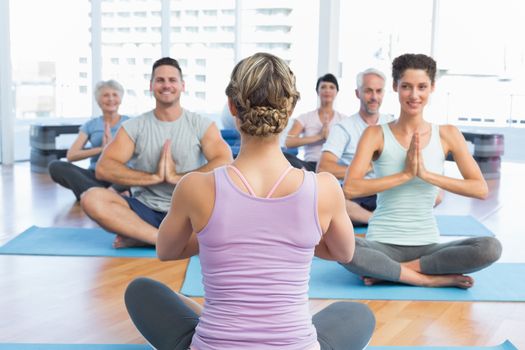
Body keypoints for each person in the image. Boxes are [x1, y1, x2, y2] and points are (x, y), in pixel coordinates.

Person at [124, 52, 375, 350]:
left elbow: (167, 250)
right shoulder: (324, 187)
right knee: (357, 313)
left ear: (232, 106)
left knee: (140, 291)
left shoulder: (195, 186)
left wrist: (220, 234)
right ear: (291, 106)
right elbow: (343, 253)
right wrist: (291, 237)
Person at [340, 53, 502, 288]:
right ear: (395, 87)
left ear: (432, 88)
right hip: (382, 244)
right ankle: (427, 280)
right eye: (406, 87)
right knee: (339, 244)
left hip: (428, 247)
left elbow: (480, 189)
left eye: (422, 87)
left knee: (490, 247)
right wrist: (404, 175)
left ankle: (398, 272)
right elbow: (351, 188)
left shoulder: (447, 134)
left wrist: (426, 175)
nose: (414, 95)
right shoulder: (374, 134)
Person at [80, 57, 233, 248]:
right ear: (151, 86)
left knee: (233, 212)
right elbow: (104, 168)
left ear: (182, 86)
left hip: (189, 210)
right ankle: (161, 239)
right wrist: (154, 177)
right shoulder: (134, 126)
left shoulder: (201, 125)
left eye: (172, 80)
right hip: (145, 210)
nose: (166, 85)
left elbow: (225, 162)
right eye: (160, 80)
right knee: (91, 198)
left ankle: (139, 236)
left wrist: (177, 178)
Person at [317, 68, 394, 225]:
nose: (374, 97)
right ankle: (379, 222)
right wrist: (367, 167)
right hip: (356, 196)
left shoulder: (393, 124)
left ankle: (382, 219)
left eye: (379, 91)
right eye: (368, 91)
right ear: (358, 93)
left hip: (386, 193)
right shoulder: (344, 127)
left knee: (434, 193)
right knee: (330, 202)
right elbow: (323, 168)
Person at [48, 80, 130, 201]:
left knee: (142, 169)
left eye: (115, 95)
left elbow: (139, 156)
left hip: (121, 176)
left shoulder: (131, 123)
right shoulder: (90, 125)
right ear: (98, 100)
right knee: (55, 166)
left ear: (121, 99)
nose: (111, 99)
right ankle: (105, 195)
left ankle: (96, 194)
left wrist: (112, 149)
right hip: (96, 175)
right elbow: (71, 155)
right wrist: (101, 149)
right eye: (106, 95)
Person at [284, 73, 346, 171]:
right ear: (317, 91)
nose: (327, 90)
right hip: (310, 165)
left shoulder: (344, 120)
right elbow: (287, 142)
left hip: (333, 165)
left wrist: (331, 138)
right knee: (285, 156)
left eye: (331, 87)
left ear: (336, 92)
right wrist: (319, 136)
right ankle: (307, 176)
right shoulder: (305, 117)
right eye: (323, 87)